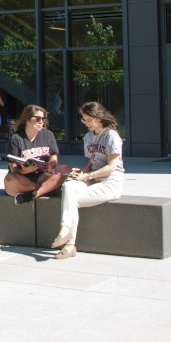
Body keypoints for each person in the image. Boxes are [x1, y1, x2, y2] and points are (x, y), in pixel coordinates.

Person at [52, 101, 124, 259]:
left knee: (73, 200)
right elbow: (92, 162)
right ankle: (65, 228)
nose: (87, 124)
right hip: (93, 178)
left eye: (89, 120)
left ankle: (69, 242)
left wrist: (88, 176)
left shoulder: (111, 136)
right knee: (69, 186)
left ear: (99, 117)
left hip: (110, 181)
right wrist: (82, 173)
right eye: (84, 120)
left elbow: (112, 166)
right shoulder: (88, 137)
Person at [3, 103, 65, 204]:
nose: (41, 122)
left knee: (65, 169)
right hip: (24, 178)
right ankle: (45, 189)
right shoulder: (16, 138)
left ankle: (33, 194)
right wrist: (25, 171)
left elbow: (54, 158)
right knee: (9, 179)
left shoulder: (48, 135)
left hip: (44, 176)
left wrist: (50, 166)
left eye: (43, 119)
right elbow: (13, 168)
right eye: (38, 118)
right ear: (27, 119)